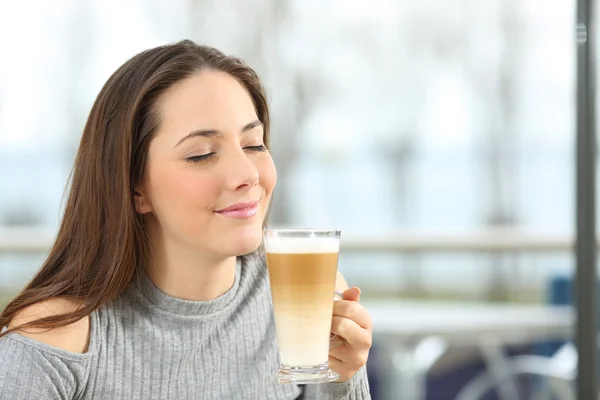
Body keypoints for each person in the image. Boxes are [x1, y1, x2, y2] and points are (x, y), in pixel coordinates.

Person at [0, 40, 372, 399]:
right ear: (134, 188)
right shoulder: (53, 341)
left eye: (254, 144)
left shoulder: (309, 294)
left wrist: (343, 381)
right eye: (201, 154)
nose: (247, 175)